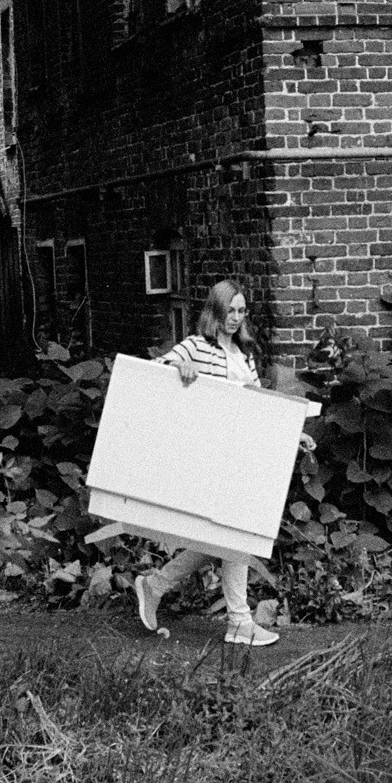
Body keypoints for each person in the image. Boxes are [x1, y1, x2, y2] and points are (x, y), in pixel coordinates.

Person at [133, 277, 281, 647]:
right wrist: (178, 370)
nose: (235, 318)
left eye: (241, 311)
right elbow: (154, 371)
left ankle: (156, 585)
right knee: (235, 533)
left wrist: (295, 433)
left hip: (240, 454)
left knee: (222, 537)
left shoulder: (244, 352)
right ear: (215, 311)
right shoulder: (197, 347)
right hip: (210, 456)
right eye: (229, 311)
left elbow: (260, 402)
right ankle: (239, 622)